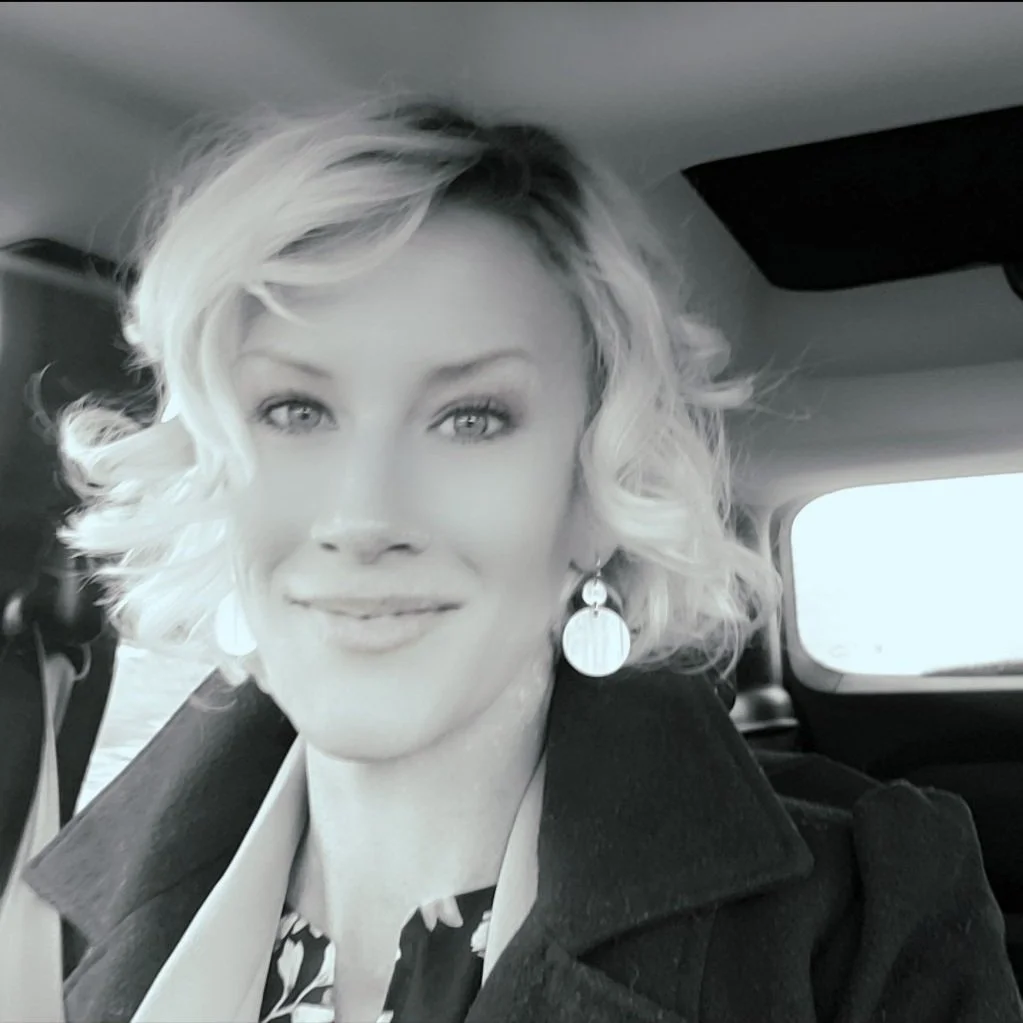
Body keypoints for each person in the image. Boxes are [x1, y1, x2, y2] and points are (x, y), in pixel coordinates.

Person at [11, 93, 1021, 1023]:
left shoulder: (861, 923)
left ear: (592, 498)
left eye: (470, 418)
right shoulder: (44, 918)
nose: (364, 516)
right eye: (295, 410)